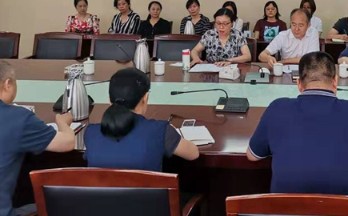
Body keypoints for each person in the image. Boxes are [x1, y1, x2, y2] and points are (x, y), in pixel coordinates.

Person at [247, 52, 348, 195]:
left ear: (299, 84)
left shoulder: (277, 108)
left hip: (286, 207)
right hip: (341, 207)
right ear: (335, 82)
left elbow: (252, 155)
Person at [84, 68, 199, 171]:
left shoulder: (91, 133)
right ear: (145, 98)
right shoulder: (160, 131)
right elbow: (193, 153)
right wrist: (173, 134)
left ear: (110, 101)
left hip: (102, 190)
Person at [0, 61, 75, 216]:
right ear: (7, 84)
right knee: (61, 204)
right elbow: (67, 143)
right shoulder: (18, 118)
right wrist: (62, 123)